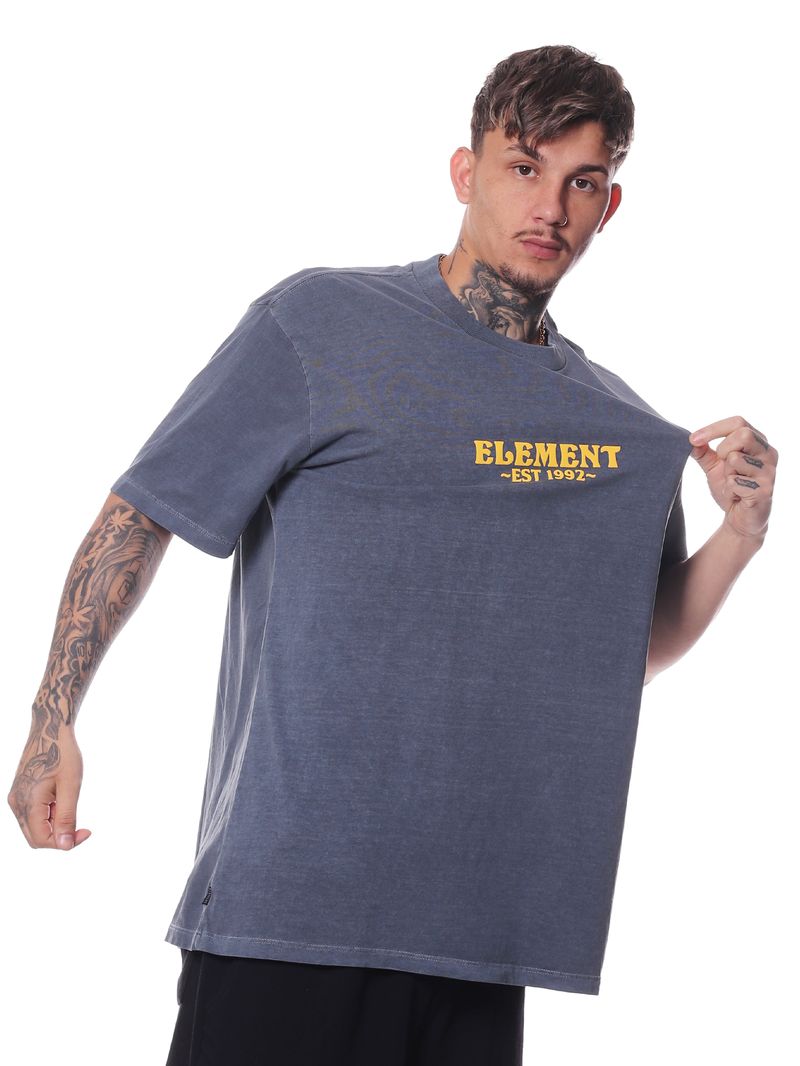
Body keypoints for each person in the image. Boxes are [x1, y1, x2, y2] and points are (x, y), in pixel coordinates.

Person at [7, 43, 776, 1066]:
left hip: (481, 940)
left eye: (580, 181)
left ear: (609, 205)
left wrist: (738, 535)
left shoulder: (611, 424)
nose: (548, 205)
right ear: (464, 172)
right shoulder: (320, 324)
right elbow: (143, 513)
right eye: (523, 167)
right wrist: (52, 716)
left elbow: (616, 653)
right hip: (287, 921)